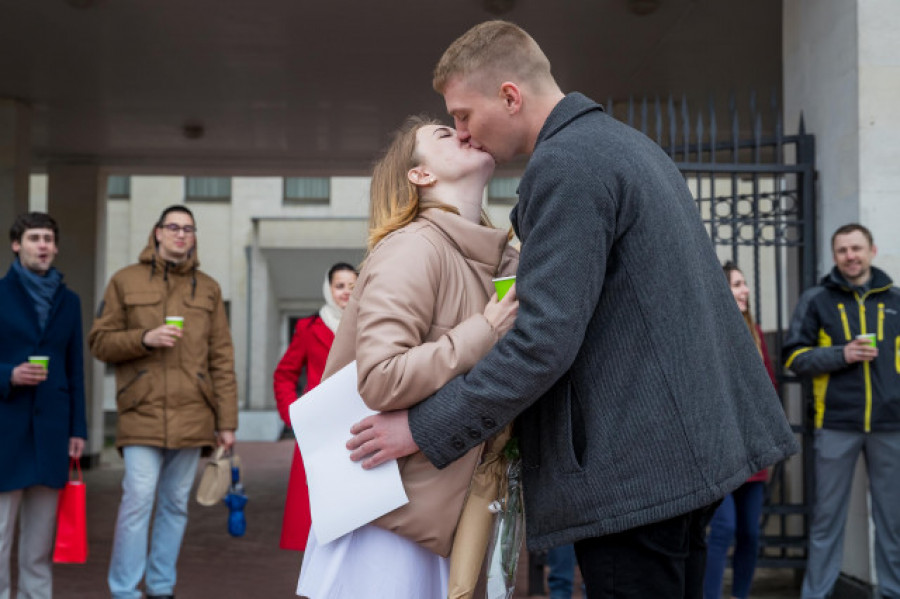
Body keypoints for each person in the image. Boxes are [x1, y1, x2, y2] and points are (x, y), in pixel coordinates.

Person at [346, 20, 799, 598]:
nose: (463, 131)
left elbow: (543, 342)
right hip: (693, 459)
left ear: (510, 96)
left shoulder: (565, 165)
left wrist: (425, 428)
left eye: (462, 114)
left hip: (635, 475)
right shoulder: (629, 145)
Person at [296, 115, 518, 598]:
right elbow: (379, 378)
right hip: (384, 524)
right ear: (420, 175)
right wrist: (485, 330)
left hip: (431, 513)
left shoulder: (495, 258)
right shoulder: (412, 248)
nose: (463, 130)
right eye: (443, 134)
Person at [89, 205, 238, 599]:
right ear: (157, 232)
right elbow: (100, 342)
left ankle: (160, 586)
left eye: (188, 229)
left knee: (174, 504)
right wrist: (143, 338)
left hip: (193, 412)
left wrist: (227, 421)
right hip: (141, 410)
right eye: (173, 227)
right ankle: (124, 590)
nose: (181, 234)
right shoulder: (124, 281)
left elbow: (222, 356)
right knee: (138, 498)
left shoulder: (208, 288)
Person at [783, 223, 900, 599]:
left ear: (872, 250)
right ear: (835, 256)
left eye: (856, 248)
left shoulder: (896, 300)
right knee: (826, 521)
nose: (850, 256)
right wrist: (842, 354)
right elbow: (795, 357)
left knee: (893, 522)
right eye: (843, 250)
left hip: (891, 425)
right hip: (835, 423)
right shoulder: (817, 299)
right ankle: (816, 595)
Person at [0, 212, 87, 599]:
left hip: (52, 433)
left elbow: (75, 369)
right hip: (6, 431)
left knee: (38, 547)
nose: (43, 246)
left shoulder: (69, 302)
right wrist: (9, 375)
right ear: (16, 245)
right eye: (34, 238)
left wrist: (78, 430)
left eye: (48, 239)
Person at [703, 262, 778, 599]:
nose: (745, 290)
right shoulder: (708, 333)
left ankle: (742, 595)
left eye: (744, 284)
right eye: (736, 284)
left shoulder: (755, 333)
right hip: (720, 449)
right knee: (723, 529)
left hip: (754, 449)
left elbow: (770, 390)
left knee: (750, 533)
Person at [272, 261, 358, 552]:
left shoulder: (372, 324)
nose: (347, 292)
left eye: (353, 285)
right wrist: (294, 416)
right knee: (315, 519)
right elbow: (284, 375)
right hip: (318, 432)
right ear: (328, 289)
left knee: (358, 512)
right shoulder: (309, 328)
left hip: (360, 427)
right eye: (340, 285)